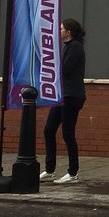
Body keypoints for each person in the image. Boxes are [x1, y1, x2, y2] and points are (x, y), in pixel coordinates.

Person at [40, 18, 87, 185]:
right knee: (48, 130)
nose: (59, 31)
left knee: (68, 133)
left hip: (72, 96)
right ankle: (50, 170)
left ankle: (73, 173)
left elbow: (65, 70)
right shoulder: (68, 47)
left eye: (61, 29)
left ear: (69, 32)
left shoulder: (75, 48)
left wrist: (52, 64)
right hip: (62, 95)